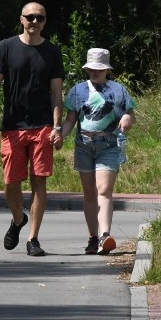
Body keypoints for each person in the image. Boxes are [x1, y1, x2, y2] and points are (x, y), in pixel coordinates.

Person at [0, 2, 64, 257]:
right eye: (30, 17)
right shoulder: (6, 47)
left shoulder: (52, 51)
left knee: (39, 181)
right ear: (21, 19)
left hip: (42, 126)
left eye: (40, 18)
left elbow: (56, 93)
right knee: (10, 183)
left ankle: (33, 238)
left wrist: (57, 126)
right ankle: (18, 219)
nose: (35, 21)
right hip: (13, 126)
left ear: (44, 21)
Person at [57, 48, 136, 254]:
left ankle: (105, 235)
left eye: (99, 69)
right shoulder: (77, 90)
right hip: (83, 145)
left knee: (104, 190)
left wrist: (127, 119)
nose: (95, 72)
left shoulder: (119, 90)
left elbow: (130, 114)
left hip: (109, 145)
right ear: (87, 68)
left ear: (106, 70)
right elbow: (70, 120)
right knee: (89, 193)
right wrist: (59, 135)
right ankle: (93, 237)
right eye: (91, 68)